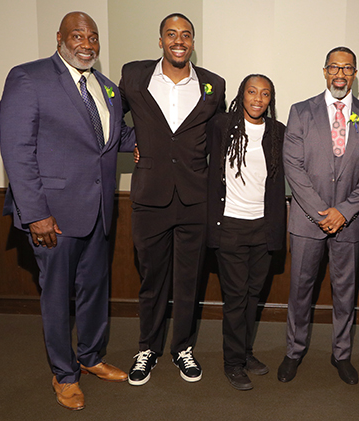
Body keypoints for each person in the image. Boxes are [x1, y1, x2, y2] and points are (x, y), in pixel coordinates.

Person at [0, 11, 135, 410]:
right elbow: (17, 151)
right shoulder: (29, 78)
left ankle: (90, 357)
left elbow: (116, 139)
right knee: (56, 297)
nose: (87, 44)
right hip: (52, 216)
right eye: (78, 35)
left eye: (93, 37)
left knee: (94, 291)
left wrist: (167, 136)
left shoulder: (107, 88)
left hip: (98, 212)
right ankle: (64, 374)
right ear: (60, 37)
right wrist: (35, 212)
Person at [119, 13, 226, 386]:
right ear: (160, 40)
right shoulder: (134, 76)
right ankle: (147, 347)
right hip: (150, 196)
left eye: (186, 35)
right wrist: (129, 143)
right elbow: (112, 120)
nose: (178, 40)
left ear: (192, 42)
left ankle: (183, 347)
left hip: (196, 199)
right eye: (171, 34)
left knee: (188, 279)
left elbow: (222, 136)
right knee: (152, 277)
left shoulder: (214, 84)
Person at [279, 46, 359, 385]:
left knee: (345, 293)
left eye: (348, 68)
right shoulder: (300, 112)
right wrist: (322, 212)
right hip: (306, 221)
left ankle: (341, 354)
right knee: (300, 291)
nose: (341, 74)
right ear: (324, 71)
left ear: (355, 73)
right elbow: (292, 166)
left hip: (350, 224)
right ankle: (293, 352)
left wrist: (343, 212)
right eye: (334, 67)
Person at [205, 74, 286, 390]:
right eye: (252, 91)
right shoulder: (222, 126)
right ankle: (233, 362)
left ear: (270, 100)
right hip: (231, 227)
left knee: (253, 296)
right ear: (242, 94)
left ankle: (245, 352)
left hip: (262, 228)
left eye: (265, 94)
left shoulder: (278, 132)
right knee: (236, 298)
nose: (258, 98)